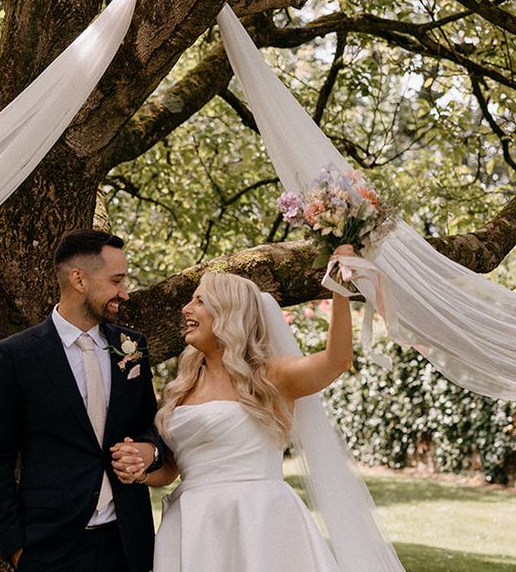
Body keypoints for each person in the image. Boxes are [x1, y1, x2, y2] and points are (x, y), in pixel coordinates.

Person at [110, 245, 358, 572]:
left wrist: (340, 290)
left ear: (229, 311)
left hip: (258, 520)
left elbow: (336, 360)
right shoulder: (182, 387)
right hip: (193, 525)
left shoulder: (269, 376)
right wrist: (141, 469)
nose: (186, 308)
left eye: (200, 300)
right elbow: (172, 469)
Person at [0, 229, 165, 572]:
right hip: (50, 547)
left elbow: (151, 427)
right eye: (116, 281)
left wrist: (149, 451)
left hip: (126, 542)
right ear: (79, 279)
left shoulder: (133, 346)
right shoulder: (15, 356)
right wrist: (15, 547)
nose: (124, 293)